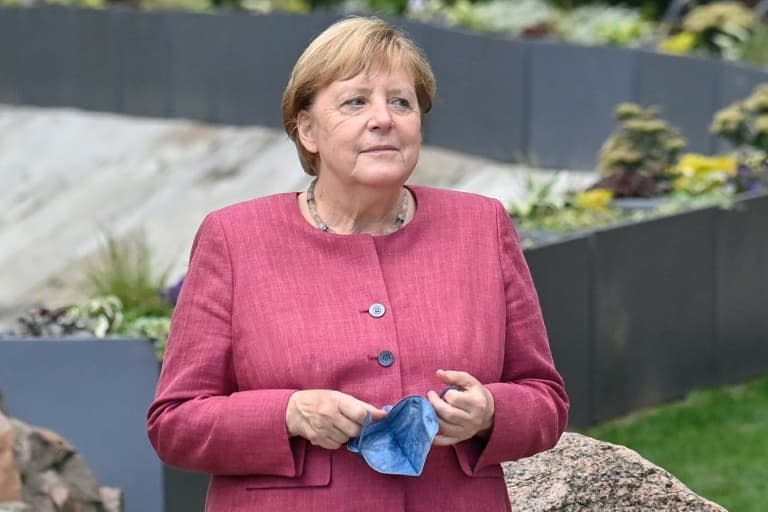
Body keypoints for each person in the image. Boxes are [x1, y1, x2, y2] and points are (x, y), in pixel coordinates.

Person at [147, 16, 568, 512]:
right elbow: (174, 423)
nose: (383, 118)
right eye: (355, 101)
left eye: (401, 101)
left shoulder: (481, 225)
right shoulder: (235, 238)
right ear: (307, 130)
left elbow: (545, 399)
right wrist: (290, 413)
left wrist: (490, 412)